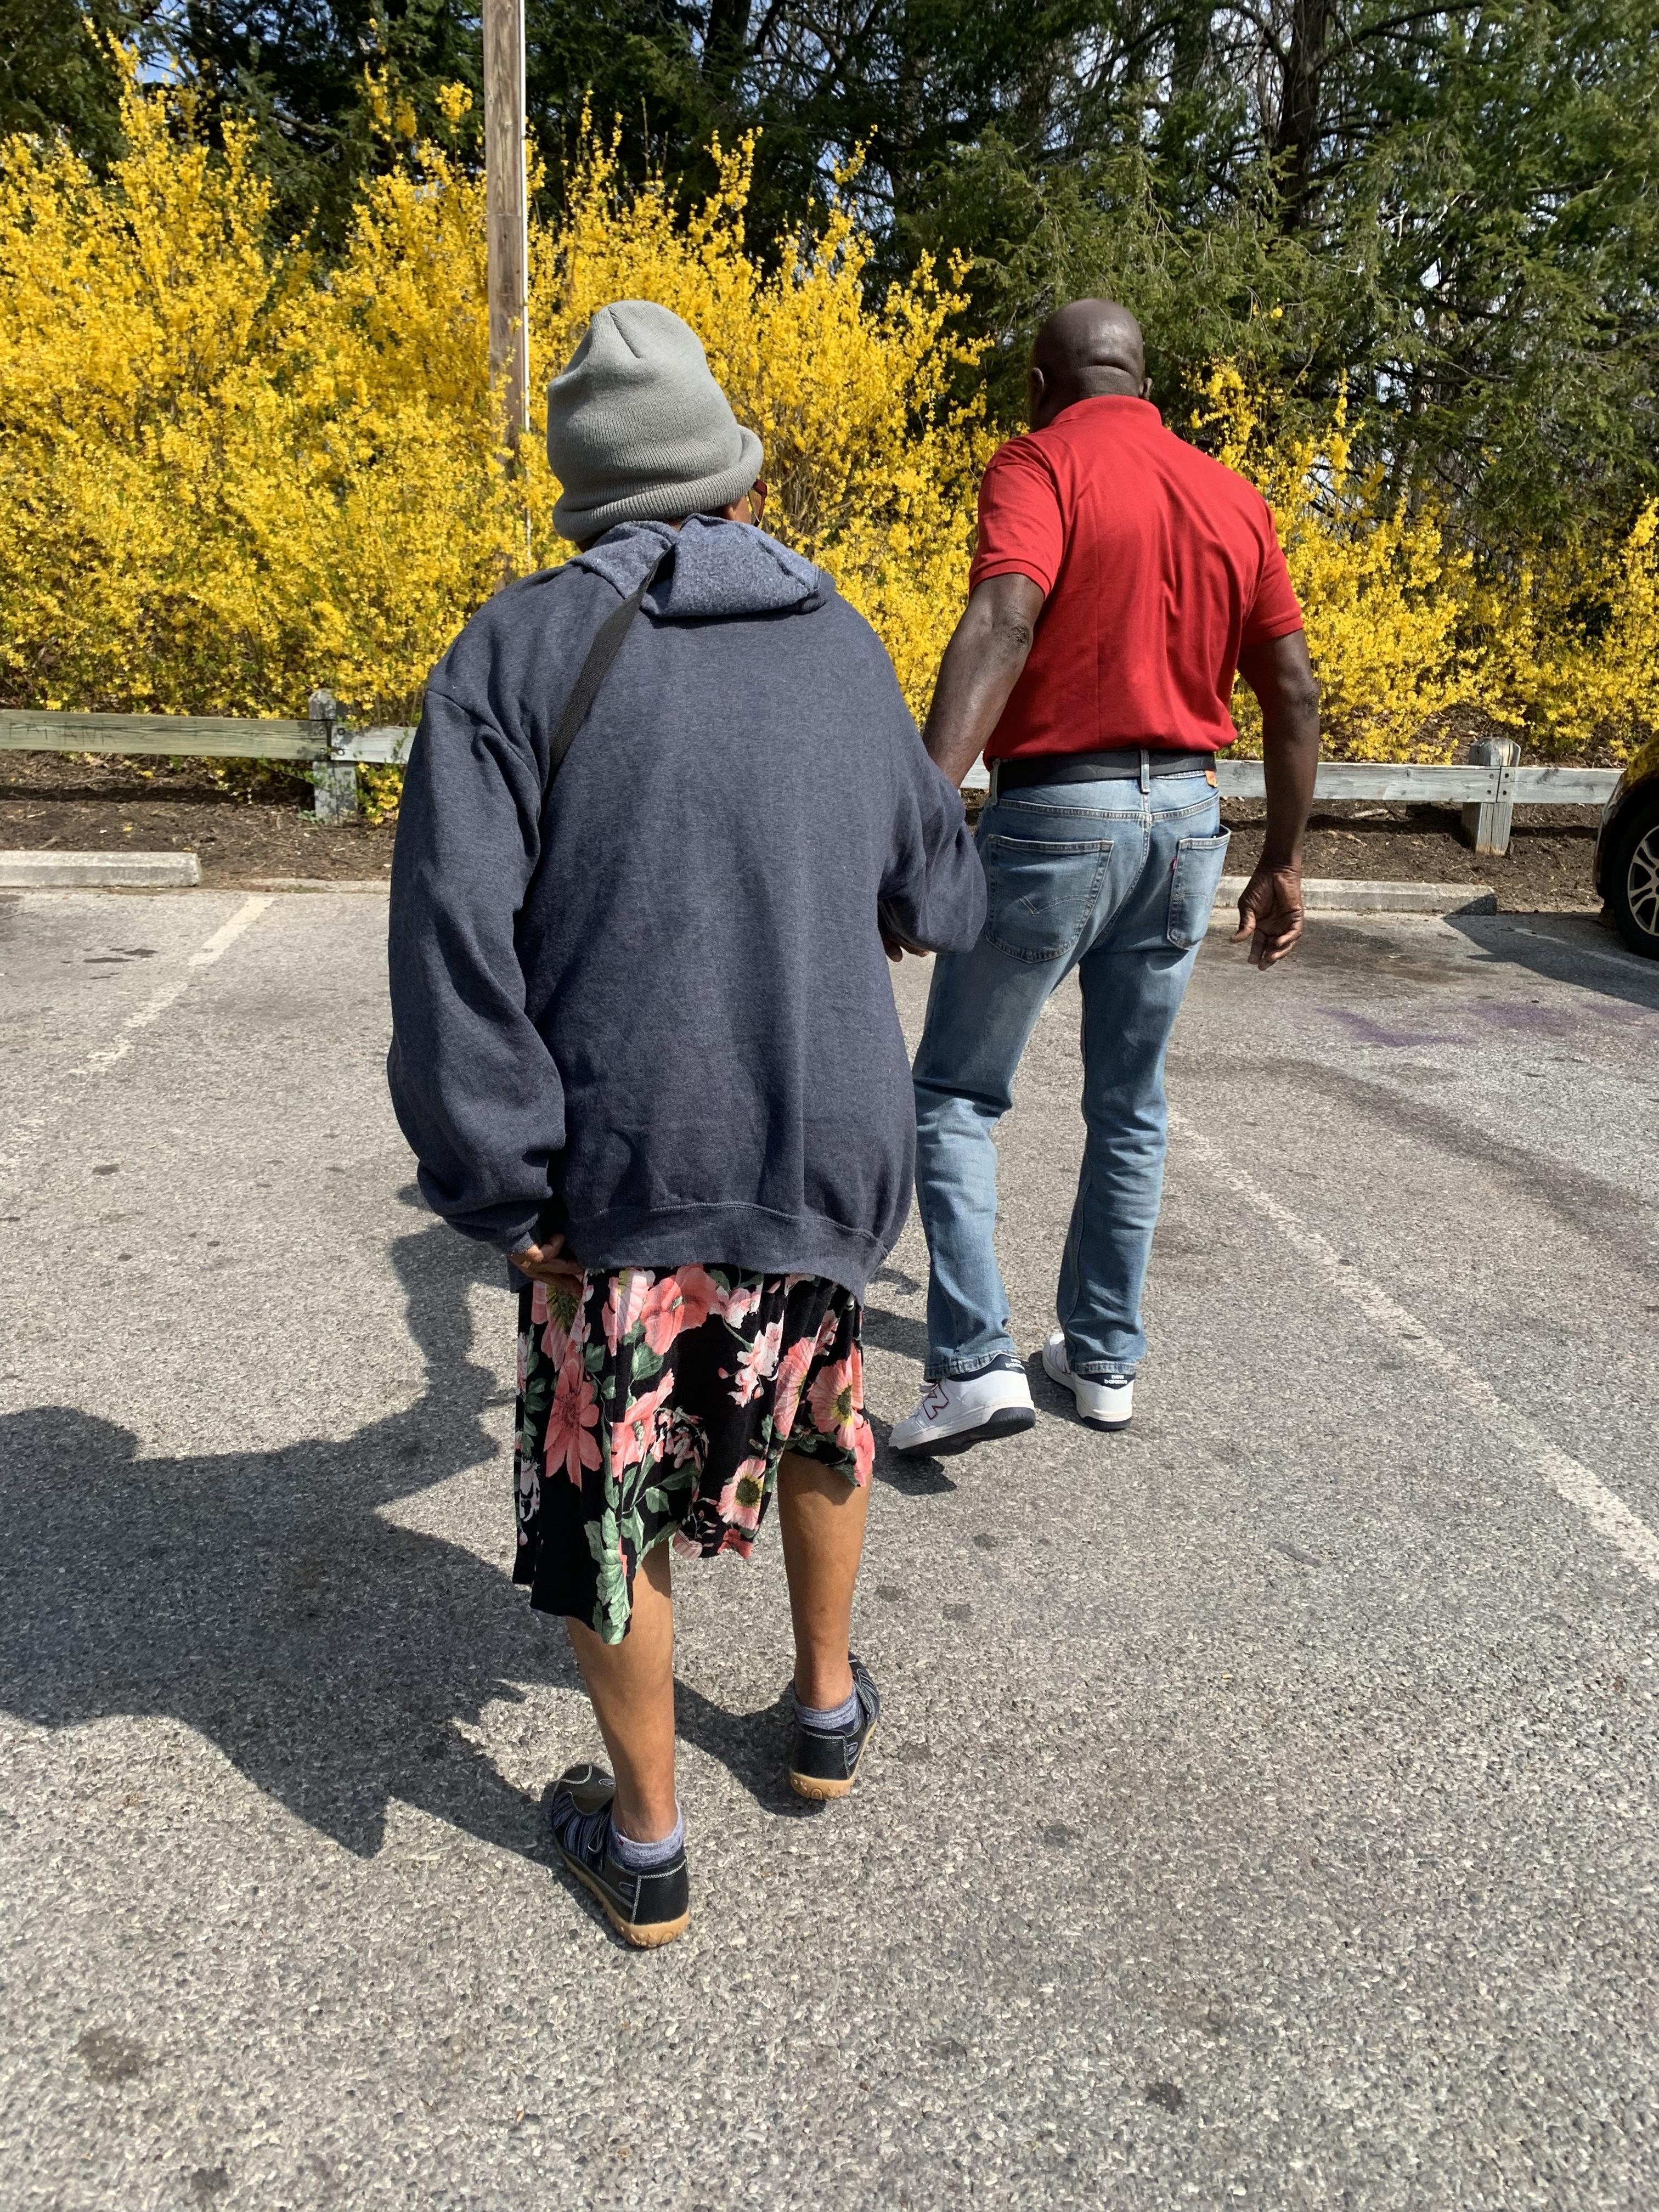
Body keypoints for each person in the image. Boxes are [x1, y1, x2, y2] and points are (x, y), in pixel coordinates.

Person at [386, 300, 985, 1945]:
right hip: (829, 1144)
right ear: (732, 476)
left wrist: (506, 1184)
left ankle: (644, 1845)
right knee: (822, 1410)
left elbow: (454, 951)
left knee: (611, 1489)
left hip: (631, 1166)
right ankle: (822, 1711)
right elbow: (941, 887)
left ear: (584, 494)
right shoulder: (840, 637)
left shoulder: (514, 651)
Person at [891, 299, 1319, 1458]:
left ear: (1043, 383)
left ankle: (977, 1364)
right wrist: (1281, 859)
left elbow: (1004, 616)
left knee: (955, 1096)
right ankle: (1103, 1358)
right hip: (1188, 822)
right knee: (1129, 1102)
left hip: (1060, 818)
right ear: (1144, 378)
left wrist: (924, 818)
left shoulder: (1040, 463)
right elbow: (1294, 691)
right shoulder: (1232, 495)